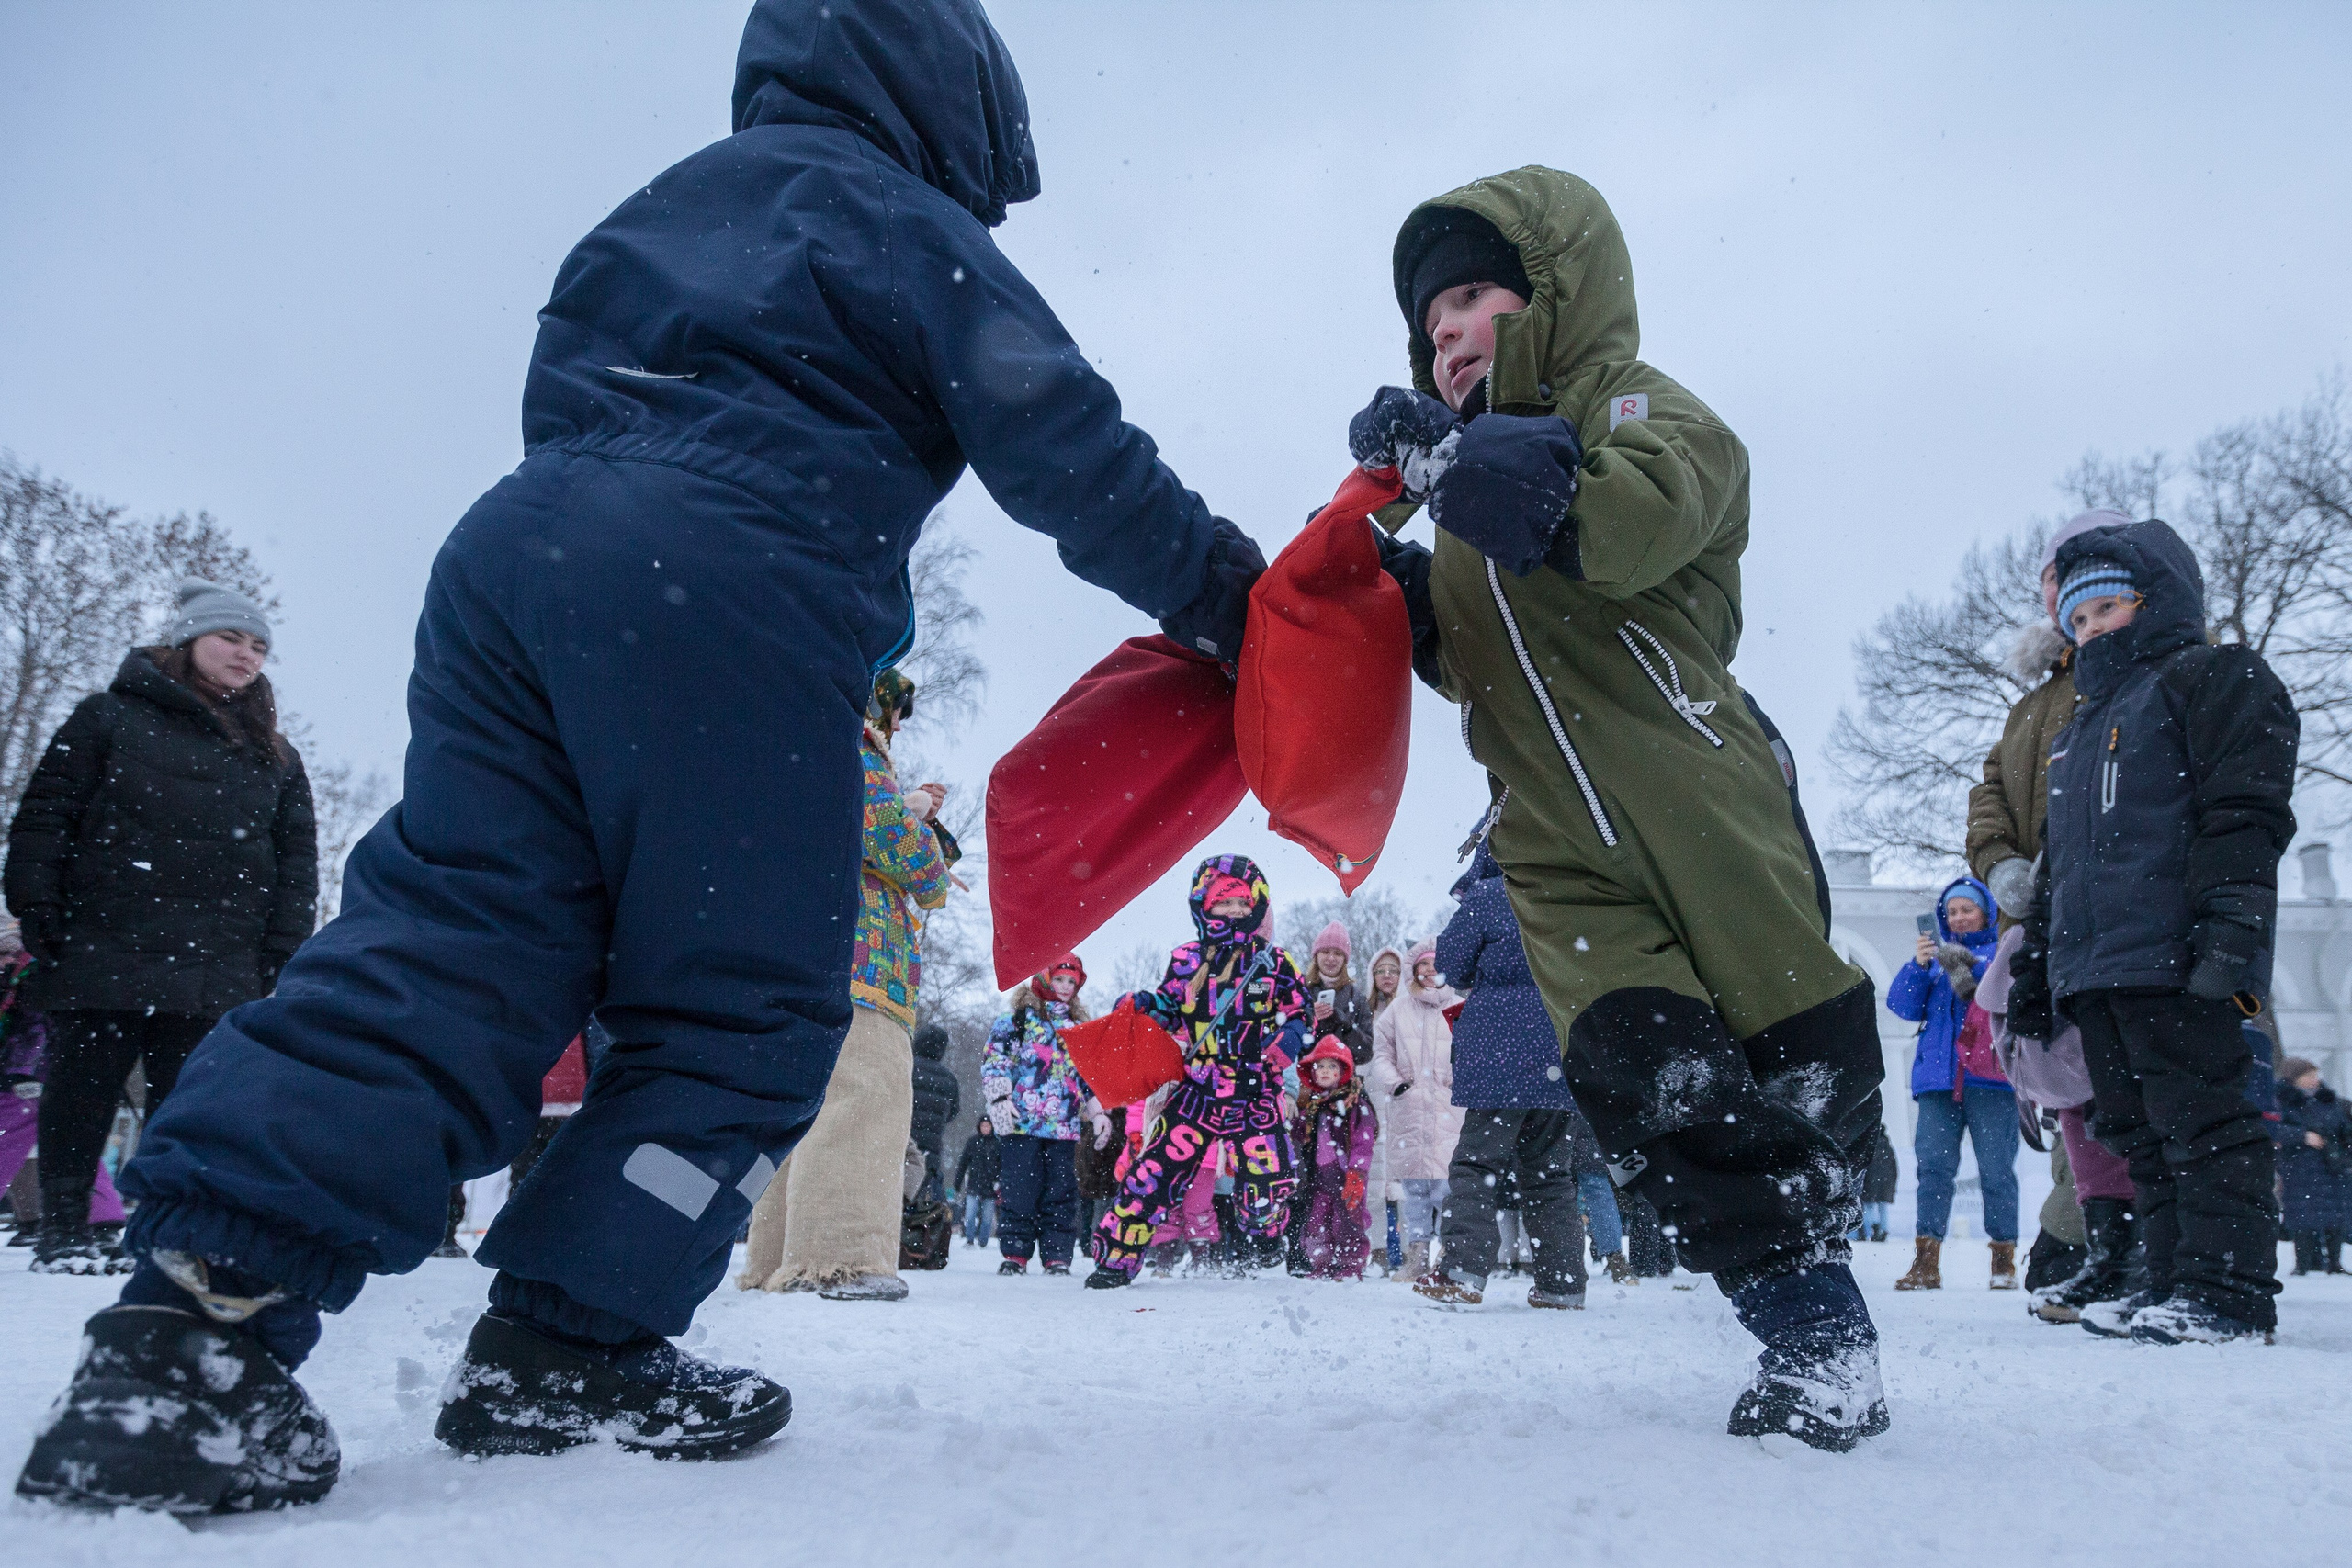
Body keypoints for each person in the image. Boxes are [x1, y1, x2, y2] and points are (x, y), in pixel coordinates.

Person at [17, 1, 1273, 1511]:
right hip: (734, 579)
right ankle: (572, 1342)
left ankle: (180, 1337)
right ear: (958, 99)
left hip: (520, 562)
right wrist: (1240, 605)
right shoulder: (893, 214)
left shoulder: (655, 213)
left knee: (454, 942)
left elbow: (575, 402)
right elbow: (1067, 443)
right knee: (735, 1006)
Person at [1343, 168, 1888, 1449]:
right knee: (1656, 1076)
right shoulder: (1467, 519)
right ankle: (1816, 1331)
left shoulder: (1639, 409)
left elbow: (1620, 519)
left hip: (1701, 797)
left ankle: (1831, 1193)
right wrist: (1377, 586)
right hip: (1554, 847)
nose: (1448, 331)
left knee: (1802, 1069)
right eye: (1430, 321)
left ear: (1551, 294)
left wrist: (1456, 463)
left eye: (1471, 296)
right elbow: (1469, 650)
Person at [2009, 520, 2298, 1345]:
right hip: (2096, 966)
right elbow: (2057, 869)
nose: (2094, 629)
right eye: (2080, 620)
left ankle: (2229, 1288)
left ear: (2158, 598)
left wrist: (2233, 920)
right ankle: (2168, 1279)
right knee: (2135, 1128)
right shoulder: (2077, 730)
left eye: (2109, 608)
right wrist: (2037, 966)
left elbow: (2244, 811)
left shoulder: (2210, 677)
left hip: (2175, 950)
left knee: (2202, 1115)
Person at [4, 581, 316, 1279]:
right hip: (104, 939)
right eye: (231, 638)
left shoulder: (275, 754)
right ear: (188, 640)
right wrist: (37, 904)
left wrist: (281, 951)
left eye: (259, 645)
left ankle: (165, 1229)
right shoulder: (107, 718)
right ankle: (63, 1228)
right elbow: (47, 815)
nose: (246, 653)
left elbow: (296, 863)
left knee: (191, 1104)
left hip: (217, 956)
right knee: (83, 1089)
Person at [738, 671, 954, 1303]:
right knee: (866, 1098)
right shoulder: (851, 736)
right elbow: (891, 837)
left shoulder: (788, 736)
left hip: (804, 953)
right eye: (895, 712)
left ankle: (776, 1255)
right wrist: (931, 855)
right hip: (862, 960)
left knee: (803, 1112)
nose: (895, 727)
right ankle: (838, 1257)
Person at [1087, 855, 1306, 1287]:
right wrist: (1146, 1005)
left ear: (1256, 905)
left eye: (1243, 903)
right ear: (1203, 905)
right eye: (1224, 903)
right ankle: (1116, 1259)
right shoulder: (1186, 959)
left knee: (1267, 1178)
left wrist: (1289, 1040)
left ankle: (1264, 1230)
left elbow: (1299, 1011)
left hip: (1254, 1087)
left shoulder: (1275, 962)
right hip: (1199, 1088)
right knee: (1150, 1176)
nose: (1234, 911)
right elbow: (1171, 1007)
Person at [1418, 845, 1594, 1310]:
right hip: (1561, 1048)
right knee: (1551, 1174)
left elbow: (1450, 965)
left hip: (1501, 1054)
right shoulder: (1574, 895)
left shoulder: (1492, 895)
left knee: (1478, 1165)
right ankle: (1563, 1284)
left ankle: (1462, 1272)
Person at [1967, 512, 2132, 924]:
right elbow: (1992, 788)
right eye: (2050, 578)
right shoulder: (2029, 708)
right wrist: (1998, 861)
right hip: (2037, 936)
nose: (2059, 587)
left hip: (2139, 928)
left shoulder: (2168, 673)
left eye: (2072, 569)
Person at [1885, 878, 2018, 1291]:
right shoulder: (1935, 960)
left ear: (1987, 913)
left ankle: (2003, 1262)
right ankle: (1926, 1263)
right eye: (1952, 911)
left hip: (1992, 1080)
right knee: (1934, 1169)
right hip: (1939, 1081)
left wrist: (1977, 966)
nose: (1959, 918)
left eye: (1968, 910)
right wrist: (1918, 966)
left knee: (1996, 1171)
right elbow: (1902, 1007)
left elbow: (2014, 998)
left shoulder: (2003, 954)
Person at [981, 956, 1096, 1276]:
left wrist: (1096, 1110)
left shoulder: (1079, 1029)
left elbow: (1088, 1075)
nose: (1065, 988)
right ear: (1044, 979)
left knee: (1060, 1193)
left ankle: (1057, 1254)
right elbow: (995, 1060)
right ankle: (1015, 1252)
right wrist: (1000, 1099)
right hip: (1022, 1123)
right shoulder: (1016, 1022)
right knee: (1020, 1190)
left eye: (1071, 983)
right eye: (1059, 980)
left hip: (1064, 1124)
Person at [1368, 940, 1463, 1284]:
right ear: (1414, 969)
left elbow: (1472, 1054)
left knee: (1447, 1189)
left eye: (1435, 965)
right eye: (1422, 965)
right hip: (1409, 1108)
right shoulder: (1398, 1011)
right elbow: (1381, 1055)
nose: (1428, 971)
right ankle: (1417, 1258)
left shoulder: (1461, 1006)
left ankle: (1451, 1256)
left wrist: (1457, 1081)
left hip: (1449, 1109)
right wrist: (1395, 1084)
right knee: (1415, 1191)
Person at [1288, 1038, 1379, 1280]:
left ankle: (1350, 1265)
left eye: (1331, 1067)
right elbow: (1302, 1135)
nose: (1325, 1071)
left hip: (1347, 1177)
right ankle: (1322, 1264)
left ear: (1343, 1072)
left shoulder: (1355, 1105)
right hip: (1320, 1179)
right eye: (1320, 1066)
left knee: (1348, 1222)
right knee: (1317, 1222)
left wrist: (1357, 1172)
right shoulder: (1315, 1106)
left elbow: (1363, 1141)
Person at [2275, 1058, 2349, 1275]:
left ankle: (2334, 1262)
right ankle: (2304, 1262)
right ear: (2294, 1078)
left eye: (2315, 1075)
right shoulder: (2282, 1100)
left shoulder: (2328, 1099)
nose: (2314, 1080)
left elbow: (2342, 1126)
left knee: (2335, 1214)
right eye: (2308, 1076)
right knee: (2302, 1215)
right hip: (2299, 1165)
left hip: (2331, 1165)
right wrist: (2301, 1136)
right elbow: (2274, 1128)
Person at [1365, 946, 1406, 1271]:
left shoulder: (1411, 1010)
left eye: (1393, 970)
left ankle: (1406, 1252)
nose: (1387, 976)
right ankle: (1377, 1248)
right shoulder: (1364, 1013)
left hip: (1405, 1101)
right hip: (1372, 1103)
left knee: (1406, 1183)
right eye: (1381, 971)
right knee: (1374, 1181)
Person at [1302, 923, 1375, 1065]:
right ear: (1316, 956)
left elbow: (1365, 1053)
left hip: (1345, 1080)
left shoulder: (1357, 998)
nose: (1331, 958)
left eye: (1338, 953)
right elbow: (1288, 1042)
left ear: (1345, 960)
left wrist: (1346, 1025)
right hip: (1305, 1077)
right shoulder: (1300, 990)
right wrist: (1308, 1018)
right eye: (1325, 952)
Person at [910, 1022, 961, 1203]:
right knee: (920, 1205)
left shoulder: (907, 1066)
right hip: (929, 1152)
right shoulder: (949, 1080)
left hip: (902, 1143)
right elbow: (953, 1112)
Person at [953, 1117, 1001, 1247]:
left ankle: (983, 1240)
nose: (985, 1128)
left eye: (988, 1126)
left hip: (991, 1187)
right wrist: (958, 1182)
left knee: (987, 1218)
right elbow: (963, 1163)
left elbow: (1002, 1165)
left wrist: (999, 1181)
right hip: (974, 1184)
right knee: (970, 1214)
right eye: (983, 1126)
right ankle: (969, 1238)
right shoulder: (973, 1142)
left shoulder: (997, 1144)